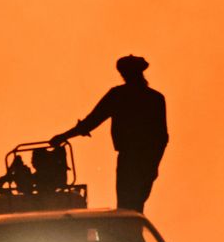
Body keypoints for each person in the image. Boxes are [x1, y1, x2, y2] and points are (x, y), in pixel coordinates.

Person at [51, 55, 169, 212]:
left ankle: (129, 235)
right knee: (136, 205)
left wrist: (63, 136)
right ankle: (132, 234)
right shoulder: (155, 98)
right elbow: (162, 138)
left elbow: (91, 121)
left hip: (131, 159)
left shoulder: (118, 95)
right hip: (146, 160)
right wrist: (153, 165)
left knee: (127, 206)